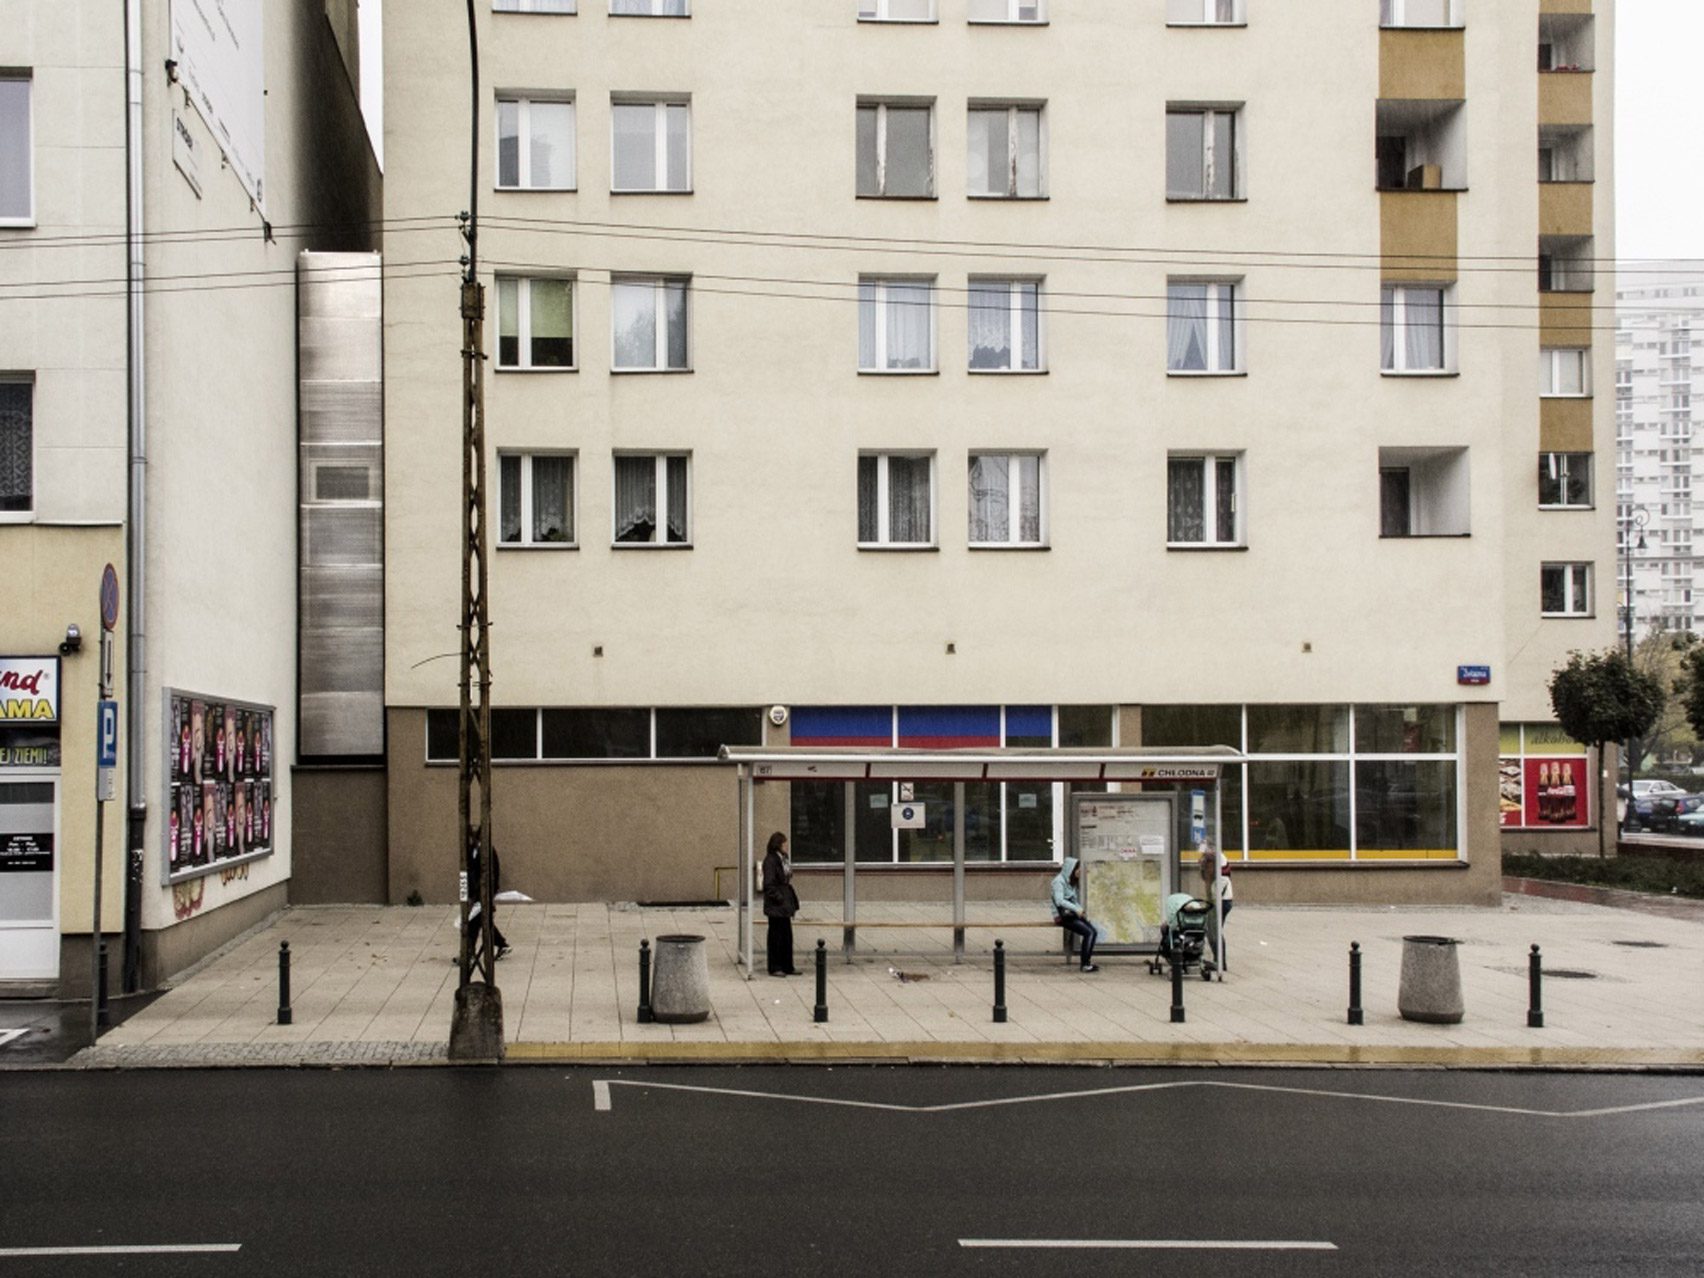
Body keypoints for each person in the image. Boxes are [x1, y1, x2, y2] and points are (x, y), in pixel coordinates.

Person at [761, 831, 801, 977]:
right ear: (778, 845)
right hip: (776, 905)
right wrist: (780, 898)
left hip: (784, 903)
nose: (787, 846)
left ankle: (787, 965)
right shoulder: (771, 861)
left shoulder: (784, 859)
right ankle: (775, 966)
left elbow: (787, 876)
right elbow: (769, 884)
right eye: (784, 844)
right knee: (776, 935)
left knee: (786, 935)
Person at [1049, 857, 1099, 972]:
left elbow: (1074, 900)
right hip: (1062, 916)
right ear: (1071, 869)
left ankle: (1087, 962)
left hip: (1071, 914)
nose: (1080, 872)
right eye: (1078, 870)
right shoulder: (1058, 881)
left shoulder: (1070, 882)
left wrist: (1080, 910)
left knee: (1093, 932)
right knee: (1089, 932)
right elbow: (1059, 901)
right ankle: (1085, 964)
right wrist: (1076, 909)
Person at [1198, 845, 1233, 969]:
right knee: (1213, 931)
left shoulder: (1215, 861)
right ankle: (1219, 960)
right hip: (1223, 900)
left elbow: (1212, 887)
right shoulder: (1218, 859)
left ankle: (1220, 962)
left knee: (1214, 931)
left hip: (1221, 901)